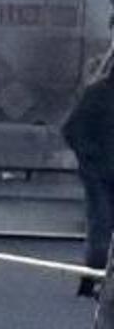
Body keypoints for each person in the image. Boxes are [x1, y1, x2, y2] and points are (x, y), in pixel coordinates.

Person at [62, 61, 114, 298]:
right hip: (99, 175)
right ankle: (92, 278)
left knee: (100, 227)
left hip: (100, 170)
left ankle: (95, 279)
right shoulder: (98, 94)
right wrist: (90, 157)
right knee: (101, 227)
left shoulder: (97, 93)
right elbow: (71, 129)